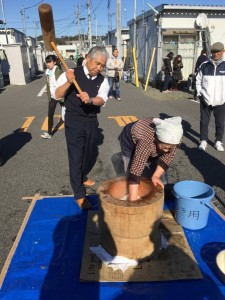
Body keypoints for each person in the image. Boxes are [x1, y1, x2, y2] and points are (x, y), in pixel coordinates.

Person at [55, 46, 109, 209]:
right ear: (87, 58)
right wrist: (69, 82)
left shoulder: (103, 80)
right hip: (74, 121)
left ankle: (82, 175)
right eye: (97, 63)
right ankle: (79, 193)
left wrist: (91, 99)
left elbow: (103, 99)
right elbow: (57, 94)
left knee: (89, 152)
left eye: (102, 66)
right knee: (76, 156)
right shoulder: (71, 73)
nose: (99, 68)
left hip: (92, 120)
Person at [118, 116, 183, 201]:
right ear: (156, 138)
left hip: (151, 144)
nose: (166, 150)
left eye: (169, 148)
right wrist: (133, 199)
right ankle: (131, 191)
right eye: (164, 147)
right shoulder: (146, 141)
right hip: (129, 140)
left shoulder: (175, 139)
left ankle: (160, 190)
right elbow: (136, 169)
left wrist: (156, 176)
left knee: (157, 167)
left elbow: (167, 158)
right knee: (131, 165)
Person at [196, 42, 225, 152]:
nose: (216, 54)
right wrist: (200, 93)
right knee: (204, 121)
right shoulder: (204, 65)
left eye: (218, 51)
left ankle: (218, 141)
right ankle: (203, 140)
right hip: (206, 99)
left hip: (221, 100)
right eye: (213, 52)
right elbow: (198, 80)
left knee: (220, 123)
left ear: (223, 51)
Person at [41, 55, 63, 139]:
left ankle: (74, 130)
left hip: (60, 95)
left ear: (54, 62)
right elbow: (49, 84)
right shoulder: (47, 71)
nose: (48, 64)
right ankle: (49, 133)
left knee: (67, 114)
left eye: (49, 62)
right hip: (53, 96)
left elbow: (62, 84)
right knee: (50, 114)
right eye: (47, 62)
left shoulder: (58, 71)